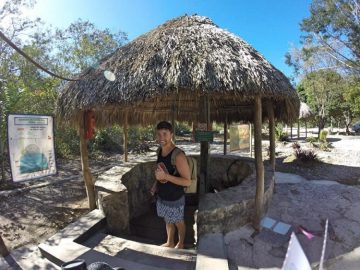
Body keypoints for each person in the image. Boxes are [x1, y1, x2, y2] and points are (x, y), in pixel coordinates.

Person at [150, 121, 191, 249]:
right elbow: (160, 171)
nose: (161, 138)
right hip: (163, 196)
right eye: (159, 134)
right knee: (168, 220)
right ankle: (170, 242)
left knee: (179, 222)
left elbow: (187, 181)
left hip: (175, 197)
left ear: (171, 134)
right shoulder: (159, 152)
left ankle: (181, 243)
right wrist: (155, 184)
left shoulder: (178, 155)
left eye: (165, 134)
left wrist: (166, 177)